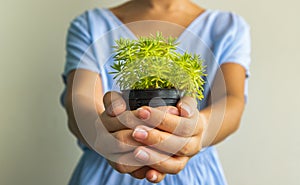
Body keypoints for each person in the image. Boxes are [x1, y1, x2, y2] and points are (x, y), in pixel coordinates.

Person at [61, 0, 251, 184]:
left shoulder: (227, 27)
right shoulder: (90, 25)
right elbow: (80, 98)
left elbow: (231, 100)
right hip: (106, 171)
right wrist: (100, 131)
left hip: (194, 174)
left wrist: (200, 129)